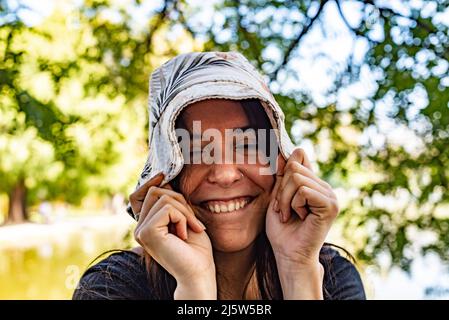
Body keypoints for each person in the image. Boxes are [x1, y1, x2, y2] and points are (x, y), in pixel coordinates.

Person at [73, 51, 365, 300]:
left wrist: (297, 271)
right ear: (164, 173)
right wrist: (194, 287)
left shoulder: (331, 279)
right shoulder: (114, 287)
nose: (225, 174)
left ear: (283, 164)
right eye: (197, 150)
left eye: (248, 145)